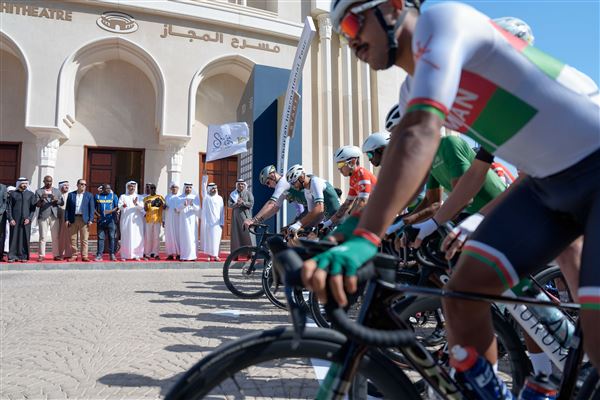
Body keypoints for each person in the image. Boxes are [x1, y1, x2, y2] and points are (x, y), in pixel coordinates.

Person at [306, 0, 600, 384]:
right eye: (343, 35)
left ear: (393, 7)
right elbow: (432, 167)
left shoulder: (444, 23)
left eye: (350, 24)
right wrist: (347, 232)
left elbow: (420, 132)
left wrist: (367, 235)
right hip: (546, 185)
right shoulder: (413, 88)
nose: (351, 42)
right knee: (462, 296)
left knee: (596, 340)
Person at [322, 146, 377, 230]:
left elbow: (362, 202)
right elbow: (347, 204)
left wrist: (348, 223)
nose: (339, 169)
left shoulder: (362, 174)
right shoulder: (353, 178)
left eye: (341, 164)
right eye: (338, 165)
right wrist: (327, 223)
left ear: (352, 162)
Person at [243, 165, 307, 229]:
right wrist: (259, 221)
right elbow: (274, 209)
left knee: (293, 232)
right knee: (287, 231)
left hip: (313, 206)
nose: (269, 186)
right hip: (308, 208)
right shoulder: (283, 189)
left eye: (268, 183)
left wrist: (253, 220)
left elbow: (270, 204)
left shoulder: (282, 182)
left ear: (272, 176)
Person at [285, 165, 340, 234]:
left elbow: (320, 208)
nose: (293, 186)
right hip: (330, 222)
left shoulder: (315, 182)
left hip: (340, 220)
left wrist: (299, 224)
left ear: (301, 178)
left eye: (293, 183)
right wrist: (300, 228)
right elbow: (312, 215)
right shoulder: (307, 190)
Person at [65, 179, 95, 262]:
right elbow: (67, 208)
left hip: (84, 219)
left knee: (84, 239)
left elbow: (92, 209)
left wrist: (91, 220)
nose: (83, 186)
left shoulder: (89, 195)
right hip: (73, 218)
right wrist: (66, 219)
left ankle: (84, 256)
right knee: (73, 239)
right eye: (81, 184)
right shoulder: (71, 195)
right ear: (77, 185)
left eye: (85, 185)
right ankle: (74, 255)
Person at [35, 175, 64, 261]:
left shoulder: (57, 191)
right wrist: (41, 199)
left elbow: (62, 202)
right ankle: (41, 255)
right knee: (42, 237)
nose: (49, 183)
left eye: (50, 181)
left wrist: (56, 200)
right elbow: (37, 204)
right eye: (47, 181)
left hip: (54, 216)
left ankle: (56, 255)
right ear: (44, 181)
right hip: (43, 216)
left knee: (55, 237)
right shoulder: (39, 191)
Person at [7, 178, 36, 262]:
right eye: (23, 183)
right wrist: (10, 218)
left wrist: (29, 219)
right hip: (15, 220)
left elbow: (33, 209)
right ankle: (12, 256)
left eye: (26, 184)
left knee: (25, 237)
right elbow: (9, 207)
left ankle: (24, 256)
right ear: (19, 184)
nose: (25, 185)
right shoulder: (13, 194)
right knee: (14, 237)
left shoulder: (30, 194)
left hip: (26, 220)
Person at [118, 181, 145, 261]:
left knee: (137, 237)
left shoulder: (139, 197)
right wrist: (124, 205)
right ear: (127, 187)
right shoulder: (123, 196)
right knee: (126, 237)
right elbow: (119, 207)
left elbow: (142, 208)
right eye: (130, 186)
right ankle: (125, 255)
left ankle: (137, 255)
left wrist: (136, 204)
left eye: (133, 186)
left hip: (137, 222)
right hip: (126, 220)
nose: (132, 188)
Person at [200, 175, 224, 261]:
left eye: (215, 188)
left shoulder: (220, 198)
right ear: (209, 189)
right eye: (212, 188)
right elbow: (203, 189)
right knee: (209, 240)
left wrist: (222, 222)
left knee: (216, 239)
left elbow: (222, 211)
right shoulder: (206, 198)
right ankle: (210, 255)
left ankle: (216, 255)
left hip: (217, 223)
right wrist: (205, 178)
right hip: (208, 223)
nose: (214, 190)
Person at [228, 179, 254, 253]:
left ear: (244, 185)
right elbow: (229, 204)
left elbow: (251, 203)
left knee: (248, 234)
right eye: (239, 184)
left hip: (245, 216)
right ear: (237, 185)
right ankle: (235, 253)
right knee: (236, 234)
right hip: (236, 217)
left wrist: (243, 203)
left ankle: (250, 253)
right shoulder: (233, 194)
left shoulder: (248, 193)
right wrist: (236, 204)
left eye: (242, 184)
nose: (240, 186)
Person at [94, 183, 119, 261]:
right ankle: (99, 255)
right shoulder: (97, 196)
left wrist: (110, 211)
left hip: (111, 220)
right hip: (101, 221)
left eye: (109, 188)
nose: (109, 190)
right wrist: (98, 215)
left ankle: (112, 254)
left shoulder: (113, 196)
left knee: (112, 237)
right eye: (107, 188)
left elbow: (117, 207)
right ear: (103, 189)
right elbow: (94, 207)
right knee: (101, 238)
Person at [177, 183, 200, 261]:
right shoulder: (180, 197)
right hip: (183, 220)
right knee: (184, 237)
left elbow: (198, 209)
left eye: (190, 187)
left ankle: (193, 256)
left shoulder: (195, 197)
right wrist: (184, 205)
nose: (189, 189)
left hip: (192, 220)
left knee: (192, 238)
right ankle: (184, 256)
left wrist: (192, 204)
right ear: (184, 188)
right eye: (187, 187)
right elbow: (177, 209)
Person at [143, 184, 165, 260]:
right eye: (150, 188)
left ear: (155, 189)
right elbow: (145, 209)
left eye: (153, 188)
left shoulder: (160, 197)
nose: (152, 189)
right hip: (149, 220)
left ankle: (156, 254)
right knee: (148, 237)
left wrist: (161, 202)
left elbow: (165, 207)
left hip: (157, 220)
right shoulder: (146, 198)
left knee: (156, 237)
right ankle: (147, 254)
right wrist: (146, 203)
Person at [164, 182, 181, 260]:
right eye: (173, 187)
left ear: (178, 188)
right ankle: (170, 254)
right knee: (169, 236)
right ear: (170, 188)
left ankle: (179, 253)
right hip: (168, 220)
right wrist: (163, 220)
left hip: (178, 220)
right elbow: (164, 209)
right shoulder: (167, 197)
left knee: (178, 236)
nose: (174, 189)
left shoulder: (180, 197)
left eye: (176, 187)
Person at [56, 181, 72, 260]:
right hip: (57, 217)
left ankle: (68, 254)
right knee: (59, 236)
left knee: (68, 236)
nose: (66, 187)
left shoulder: (70, 195)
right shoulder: (56, 195)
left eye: (67, 186)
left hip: (66, 218)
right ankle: (59, 254)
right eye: (65, 185)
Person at [0, 183, 8, 262]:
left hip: (1, 216)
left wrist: (1, 211)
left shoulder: (3, 187)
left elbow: (5, 201)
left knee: (1, 236)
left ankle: (0, 255)